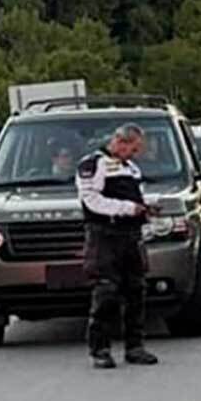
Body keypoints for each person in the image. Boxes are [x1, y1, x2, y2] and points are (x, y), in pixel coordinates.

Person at [77, 124, 159, 369]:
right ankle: (100, 348)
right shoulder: (93, 164)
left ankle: (135, 346)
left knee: (136, 290)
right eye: (133, 149)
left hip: (131, 235)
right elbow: (92, 201)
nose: (134, 154)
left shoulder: (130, 168)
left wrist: (146, 207)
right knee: (106, 291)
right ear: (121, 142)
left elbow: (136, 199)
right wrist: (126, 208)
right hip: (105, 235)